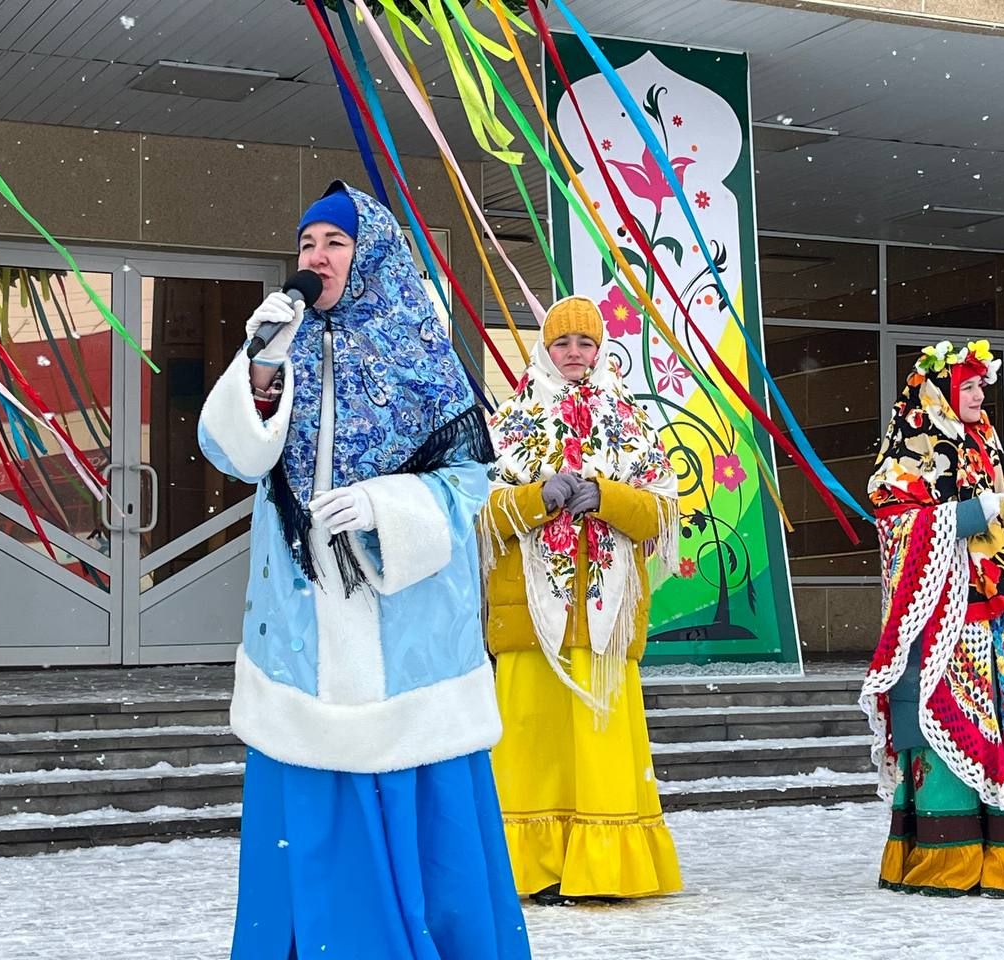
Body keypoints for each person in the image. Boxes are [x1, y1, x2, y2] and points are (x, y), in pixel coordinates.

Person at [197, 181, 531, 958]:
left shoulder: (422, 349)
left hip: (404, 624)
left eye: (334, 243)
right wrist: (259, 369)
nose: (315, 258)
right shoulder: (282, 343)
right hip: (303, 625)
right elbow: (235, 454)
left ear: (371, 254)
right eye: (307, 243)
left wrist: (386, 506)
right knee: (307, 782)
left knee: (413, 795)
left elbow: (470, 485)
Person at [480, 294, 683, 905]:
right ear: (546, 347)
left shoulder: (631, 421)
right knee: (530, 746)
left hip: (606, 615)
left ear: (601, 349)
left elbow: (663, 511)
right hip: (529, 617)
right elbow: (481, 514)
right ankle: (533, 869)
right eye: (563, 343)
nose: (574, 354)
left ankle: (602, 869)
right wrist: (536, 497)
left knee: (599, 747)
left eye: (585, 343)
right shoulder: (511, 420)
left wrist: (608, 496)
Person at [859, 338, 1004, 898]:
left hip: (995, 619)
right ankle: (947, 859)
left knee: (993, 732)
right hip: (942, 622)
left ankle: (999, 856)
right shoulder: (911, 449)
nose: (978, 392)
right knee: (944, 734)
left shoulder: (986, 441)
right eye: (967, 385)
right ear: (939, 390)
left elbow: (1003, 535)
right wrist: (964, 515)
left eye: (980, 384)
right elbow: (896, 529)